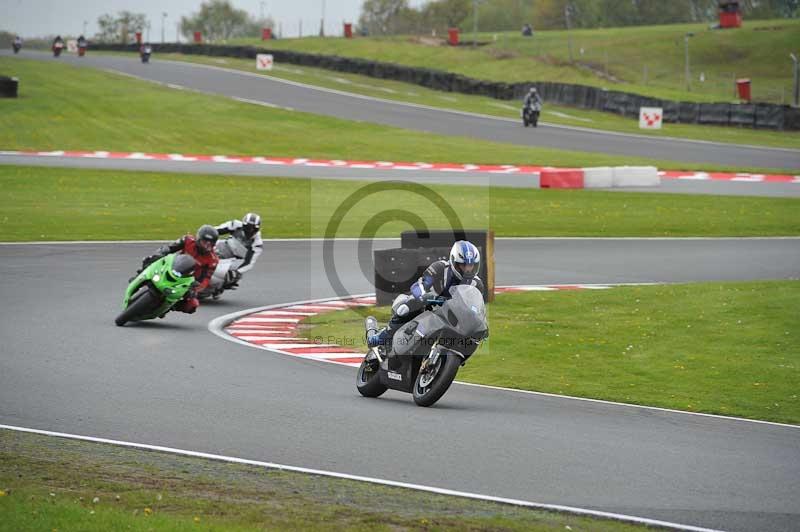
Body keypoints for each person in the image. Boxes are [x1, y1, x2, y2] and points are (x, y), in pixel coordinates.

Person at [367, 240, 484, 353]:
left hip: (451, 314)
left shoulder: (477, 284)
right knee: (405, 309)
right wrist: (423, 296)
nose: (468, 269)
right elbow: (420, 285)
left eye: (471, 266)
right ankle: (381, 337)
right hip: (429, 304)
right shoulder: (439, 268)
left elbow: (476, 307)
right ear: (454, 261)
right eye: (463, 265)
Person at [137, 225, 220, 314]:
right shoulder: (188, 240)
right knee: (150, 259)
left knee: (192, 305)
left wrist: (196, 288)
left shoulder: (213, 260)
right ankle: (139, 277)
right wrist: (160, 253)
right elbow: (170, 247)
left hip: (187, 281)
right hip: (174, 267)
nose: (206, 246)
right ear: (198, 238)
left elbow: (206, 278)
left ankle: (170, 306)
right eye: (204, 242)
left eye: (210, 244)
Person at [214, 212, 263, 286]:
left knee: (230, 276)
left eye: (253, 228)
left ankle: (217, 287)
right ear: (243, 225)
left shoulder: (257, 243)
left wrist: (237, 272)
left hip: (236, 260)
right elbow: (216, 230)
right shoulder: (235, 225)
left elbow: (249, 262)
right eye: (248, 227)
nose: (250, 230)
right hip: (224, 248)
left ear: (257, 229)